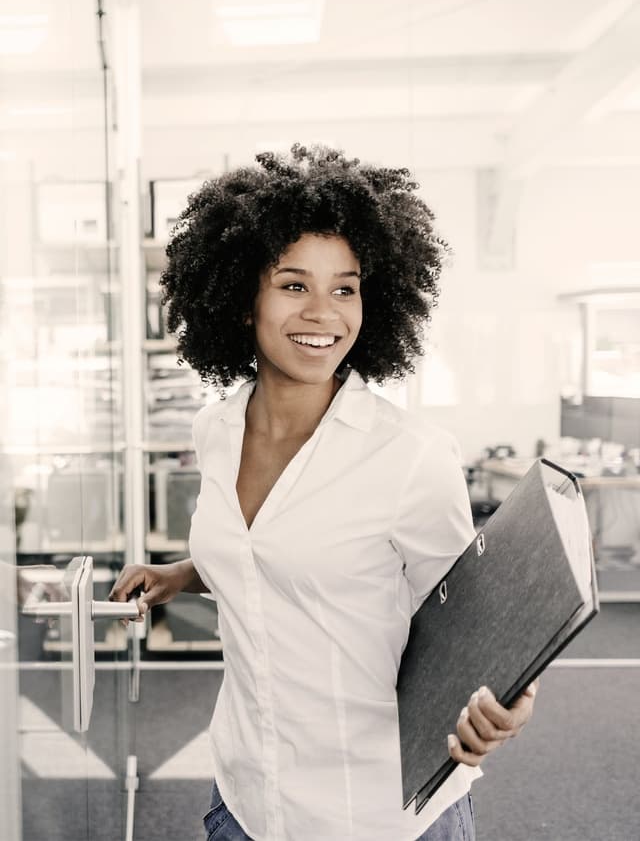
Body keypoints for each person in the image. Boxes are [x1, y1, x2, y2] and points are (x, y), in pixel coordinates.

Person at [109, 144, 538, 841]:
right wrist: (186, 572)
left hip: (379, 809)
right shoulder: (215, 429)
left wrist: (514, 700)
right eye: (293, 284)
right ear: (241, 297)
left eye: (345, 287)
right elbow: (268, 553)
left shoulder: (409, 455)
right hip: (249, 793)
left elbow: (476, 623)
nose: (324, 312)